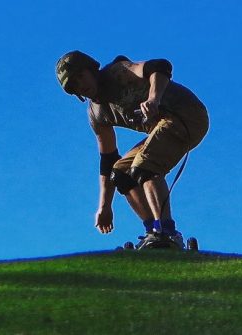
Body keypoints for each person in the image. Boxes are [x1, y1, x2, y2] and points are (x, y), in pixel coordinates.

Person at [55, 50, 209, 248]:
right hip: (161, 128)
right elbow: (108, 159)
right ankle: (153, 232)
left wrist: (154, 99)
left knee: (145, 166)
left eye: (81, 77)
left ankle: (167, 233)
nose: (81, 86)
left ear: (92, 70)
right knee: (120, 173)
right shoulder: (96, 113)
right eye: (74, 85)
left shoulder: (118, 73)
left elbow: (159, 67)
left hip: (186, 115)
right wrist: (104, 206)